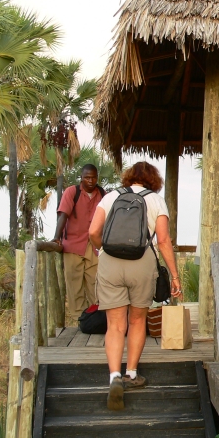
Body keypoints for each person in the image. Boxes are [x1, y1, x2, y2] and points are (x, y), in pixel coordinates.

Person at [88, 161, 181, 410]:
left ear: (129, 177)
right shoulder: (156, 200)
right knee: (137, 321)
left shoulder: (110, 197)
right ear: (154, 180)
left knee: (115, 325)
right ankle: (131, 373)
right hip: (142, 262)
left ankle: (114, 377)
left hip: (110, 262)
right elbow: (163, 240)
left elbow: (93, 231)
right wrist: (174, 275)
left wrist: (104, 249)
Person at [50, 164, 105, 326]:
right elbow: (63, 215)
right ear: (81, 178)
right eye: (87, 177)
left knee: (95, 282)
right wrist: (56, 237)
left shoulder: (102, 194)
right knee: (74, 283)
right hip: (73, 244)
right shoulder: (72, 192)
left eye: (93, 177)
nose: (90, 181)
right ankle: (78, 319)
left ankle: (96, 318)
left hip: (94, 245)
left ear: (97, 177)